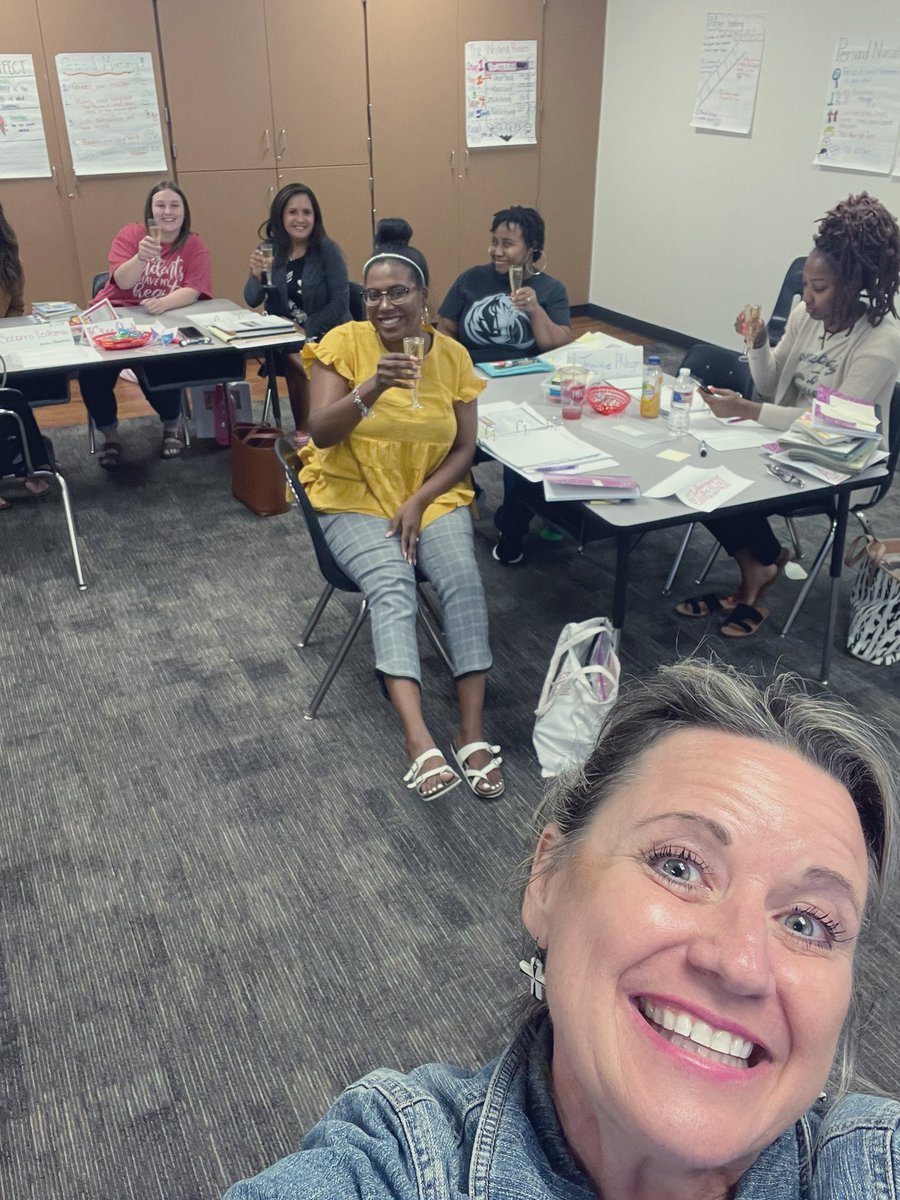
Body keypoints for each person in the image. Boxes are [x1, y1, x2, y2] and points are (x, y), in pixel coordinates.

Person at [220, 659, 900, 1199]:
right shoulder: (403, 1164)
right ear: (546, 879)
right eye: (680, 865)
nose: (742, 963)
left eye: (808, 923)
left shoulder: (874, 1164)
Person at [298, 218, 502, 800]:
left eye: (398, 292)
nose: (385, 305)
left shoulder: (454, 357)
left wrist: (419, 499)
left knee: (463, 578)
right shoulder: (343, 344)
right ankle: (417, 738)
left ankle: (470, 730)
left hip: (428, 493)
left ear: (424, 297)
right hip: (353, 493)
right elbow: (322, 432)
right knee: (393, 582)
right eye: (374, 294)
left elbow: (465, 448)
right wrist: (373, 388)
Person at [677, 192, 900, 637]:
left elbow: (831, 425)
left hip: (841, 459)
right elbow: (768, 382)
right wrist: (758, 342)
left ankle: (756, 573)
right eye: (804, 286)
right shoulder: (805, 315)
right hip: (783, 442)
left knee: (732, 485)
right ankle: (760, 564)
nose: (806, 298)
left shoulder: (882, 339)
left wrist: (749, 411)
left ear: (855, 282)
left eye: (818, 289)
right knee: (697, 469)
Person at [439, 205, 573, 566]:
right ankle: (467, 488)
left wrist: (535, 310)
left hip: (526, 388)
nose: (497, 251)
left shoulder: (549, 289)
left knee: (521, 453)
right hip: (473, 384)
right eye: (494, 242)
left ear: (532, 250)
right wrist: (452, 367)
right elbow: (446, 330)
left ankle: (512, 529)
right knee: (444, 435)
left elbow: (556, 347)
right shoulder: (471, 279)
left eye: (508, 244)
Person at [80, 180, 213, 468]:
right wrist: (141, 257)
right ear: (150, 211)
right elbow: (123, 281)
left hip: (160, 322)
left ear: (184, 211)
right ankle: (111, 436)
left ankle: (170, 428)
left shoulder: (193, 243)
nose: (168, 211)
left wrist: (165, 303)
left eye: (174, 205)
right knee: (92, 375)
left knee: (163, 366)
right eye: (160, 205)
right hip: (117, 317)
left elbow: (194, 288)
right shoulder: (131, 235)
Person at [244, 183, 350, 447]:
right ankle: (309, 425)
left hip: (329, 331)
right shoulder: (269, 249)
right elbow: (252, 299)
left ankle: (316, 424)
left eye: (307, 212)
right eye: (293, 212)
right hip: (285, 335)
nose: (300, 219)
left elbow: (340, 303)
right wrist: (256, 275)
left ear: (316, 217)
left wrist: (308, 329)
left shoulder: (328, 251)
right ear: (280, 216)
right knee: (295, 353)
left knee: (302, 353)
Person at [0, 202, 53, 506]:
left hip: (2, 350)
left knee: (13, 392)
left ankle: (27, 465)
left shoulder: (8, 256)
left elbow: (16, 308)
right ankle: (29, 466)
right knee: (10, 398)